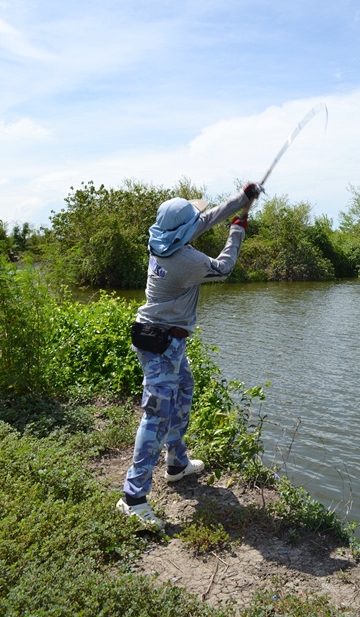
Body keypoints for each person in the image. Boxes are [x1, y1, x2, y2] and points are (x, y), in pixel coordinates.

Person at [117, 183, 261, 529]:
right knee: (156, 416)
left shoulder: (161, 240)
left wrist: (243, 199)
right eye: (193, 221)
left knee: (184, 391)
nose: (199, 223)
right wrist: (238, 228)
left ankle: (177, 463)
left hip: (167, 342)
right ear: (184, 229)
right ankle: (133, 498)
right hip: (162, 345)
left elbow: (207, 218)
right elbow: (224, 267)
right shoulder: (184, 260)